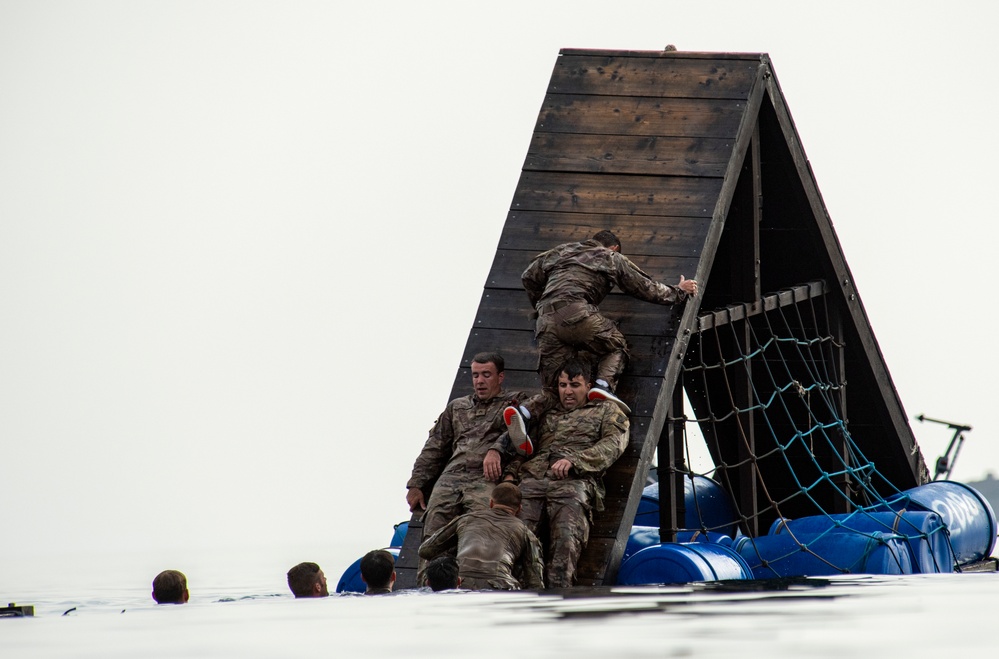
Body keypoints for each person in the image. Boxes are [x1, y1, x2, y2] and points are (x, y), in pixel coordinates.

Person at [521, 229, 697, 413]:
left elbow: (527, 277)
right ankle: (602, 385)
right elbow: (646, 287)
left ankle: (525, 413)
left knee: (553, 389)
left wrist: (541, 304)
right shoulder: (611, 256)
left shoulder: (560, 251)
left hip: (544, 322)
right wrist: (679, 291)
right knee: (616, 347)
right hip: (577, 314)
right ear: (615, 247)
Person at [511, 359, 629, 588]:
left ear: (588, 386)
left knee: (565, 543)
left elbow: (614, 444)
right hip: (533, 480)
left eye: (574, 385)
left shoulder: (606, 410)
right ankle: (518, 598)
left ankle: (560, 599)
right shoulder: (548, 410)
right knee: (517, 540)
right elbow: (523, 445)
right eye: (563, 385)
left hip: (573, 483)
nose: (567, 391)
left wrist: (575, 460)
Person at [406, 352, 533, 549]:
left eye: (486, 375)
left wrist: (496, 450)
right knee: (432, 538)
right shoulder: (457, 407)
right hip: (451, 476)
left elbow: (520, 434)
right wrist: (416, 484)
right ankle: (430, 580)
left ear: (500, 377)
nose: (480, 381)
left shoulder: (514, 403)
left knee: (479, 536)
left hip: (486, 478)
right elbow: (434, 447)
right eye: (475, 375)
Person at [418, 482, 545, 591]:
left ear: (491, 503)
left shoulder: (466, 519)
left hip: (460, 582)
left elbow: (425, 550)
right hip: (501, 586)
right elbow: (535, 580)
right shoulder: (525, 532)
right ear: (519, 509)